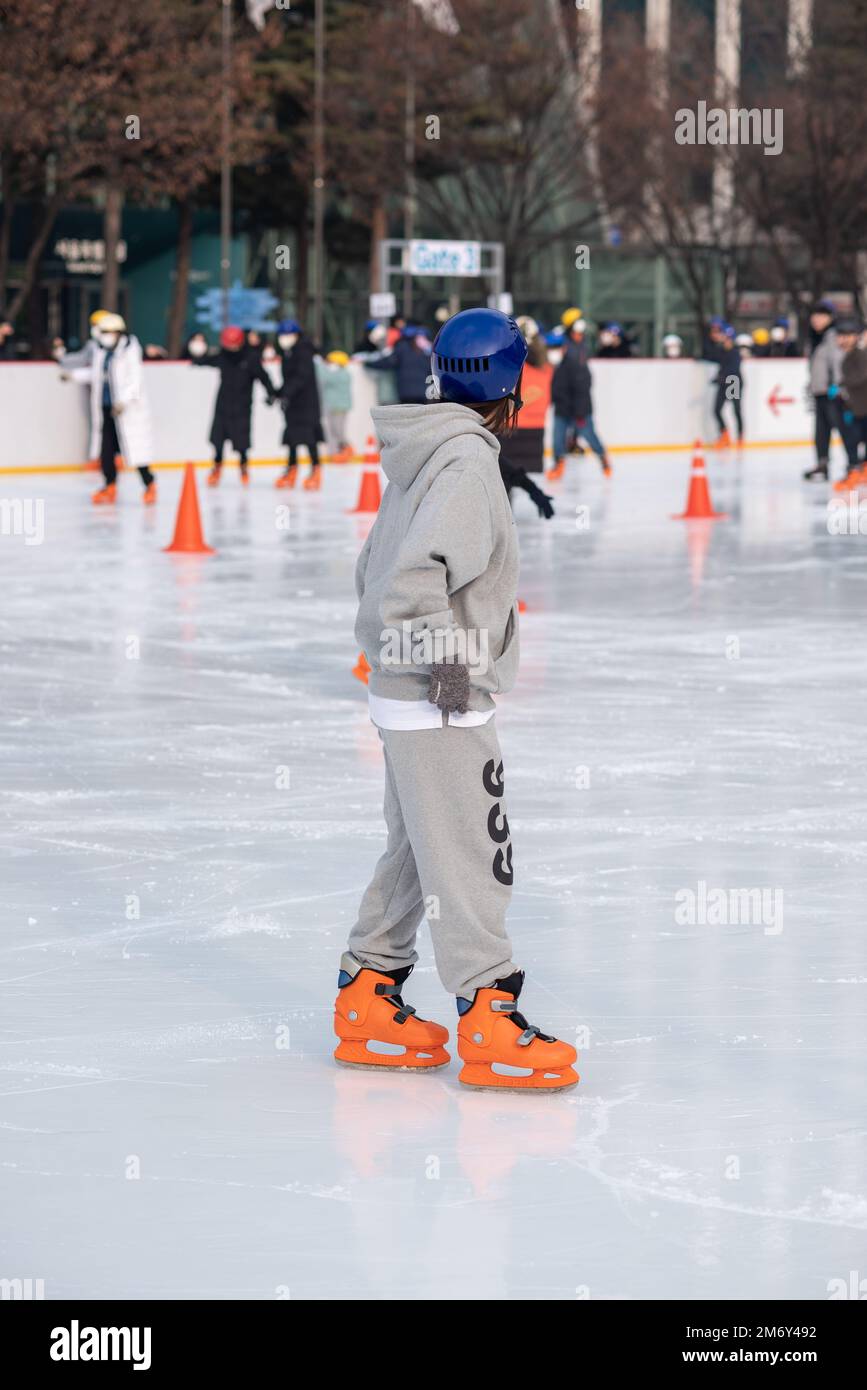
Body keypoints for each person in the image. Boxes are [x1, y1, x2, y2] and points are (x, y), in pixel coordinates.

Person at [339, 306, 578, 1093]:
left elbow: (373, 566)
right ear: (510, 389)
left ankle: (368, 994)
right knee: (475, 851)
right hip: (439, 697)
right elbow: (408, 589)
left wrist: (392, 666)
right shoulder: (468, 464)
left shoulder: (424, 453)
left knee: (414, 849)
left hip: (404, 694)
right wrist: (447, 684)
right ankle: (487, 1014)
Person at [62, 311, 157, 505]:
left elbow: (135, 380)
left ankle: (149, 483)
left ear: (119, 333)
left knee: (134, 449)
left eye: (109, 332)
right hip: (106, 408)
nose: (105, 335)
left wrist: (124, 401)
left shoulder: (130, 350)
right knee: (106, 451)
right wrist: (73, 376)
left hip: (125, 410)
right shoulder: (101, 351)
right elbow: (97, 376)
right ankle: (110, 485)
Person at [192, 324, 276, 486]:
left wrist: (271, 393)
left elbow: (263, 377)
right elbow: (206, 360)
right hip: (223, 404)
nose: (231, 349)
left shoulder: (250, 357)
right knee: (218, 439)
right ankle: (216, 467)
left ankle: (243, 467)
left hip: (242, 406)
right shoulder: (223, 356)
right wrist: (196, 357)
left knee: (242, 441)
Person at [498, 319, 554, 515]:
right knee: (513, 471)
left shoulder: (512, 364)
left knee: (504, 472)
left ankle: (504, 512)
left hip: (511, 425)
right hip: (535, 427)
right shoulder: (547, 366)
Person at [547, 315, 611, 479]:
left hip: (579, 409)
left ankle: (603, 458)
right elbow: (556, 386)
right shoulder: (556, 364)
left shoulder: (577, 362)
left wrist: (580, 412)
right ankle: (558, 464)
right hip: (562, 408)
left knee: (589, 435)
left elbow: (584, 387)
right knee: (558, 438)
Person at [275, 318, 324, 490]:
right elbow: (289, 378)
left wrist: (286, 393)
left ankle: (316, 470)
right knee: (292, 439)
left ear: (296, 335)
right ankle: (291, 469)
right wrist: (279, 393)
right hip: (294, 403)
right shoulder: (288, 352)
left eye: (287, 334)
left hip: (306, 403)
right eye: (282, 334)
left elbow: (301, 377)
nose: (284, 338)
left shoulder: (303, 350)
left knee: (309, 438)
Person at [804, 301, 843, 482]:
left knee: (845, 429)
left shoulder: (833, 336)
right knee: (821, 431)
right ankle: (822, 464)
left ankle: (856, 463)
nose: (817, 320)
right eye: (815, 315)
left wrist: (836, 385)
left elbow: (837, 362)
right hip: (819, 391)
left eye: (822, 316)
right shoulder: (814, 337)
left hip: (832, 392)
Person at [834, 315, 867, 492]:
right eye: (840, 336)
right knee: (852, 439)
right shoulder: (847, 356)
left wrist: (842, 384)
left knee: (854, 439)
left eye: (847, 336)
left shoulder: (860, 355)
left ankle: (856, 470)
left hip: (862, 406)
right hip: (855, 407)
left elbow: (861, 376)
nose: (843, 340)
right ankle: (857, 469)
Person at [364, 324, 432, 405]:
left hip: (405, 392)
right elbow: (431, 370)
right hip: (422, 392)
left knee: (407, 415)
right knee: (420, 415)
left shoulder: (402, 348)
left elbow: (387, 363)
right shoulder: (426, 350)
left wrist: (367, 363)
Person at [708, 323, 743, 448]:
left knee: (736, 409)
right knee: (716, 409)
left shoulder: (735, 352)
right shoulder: (721, 351)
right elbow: (711, 356)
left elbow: (732, 370)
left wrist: (720, 377)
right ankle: (725, 435)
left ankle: (740, 437)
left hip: (733, 382)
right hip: (724, 382)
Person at [316, 349, 354, 462]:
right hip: (333, 406)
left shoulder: (342, 374)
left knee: (338, 431)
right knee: (333, 431)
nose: (329, 364)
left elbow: (325, 378)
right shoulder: (338, 373)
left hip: (339, 407)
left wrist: (319, 365)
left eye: (330, 361)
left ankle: (347, 449)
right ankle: (337, 452)